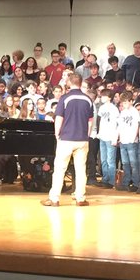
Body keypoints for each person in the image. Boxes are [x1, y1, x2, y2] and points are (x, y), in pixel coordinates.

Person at [42, 71, 94, 207]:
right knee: (81, 169)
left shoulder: (64, 98)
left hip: (66, 138)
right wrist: (86, 135)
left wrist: (56, 134)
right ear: (81, 83)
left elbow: (59, 118)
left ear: (69, 83)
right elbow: (90, 121)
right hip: (82, 139)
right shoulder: (88, 99)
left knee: (60, 169)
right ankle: (80, 198)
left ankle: (54, 199)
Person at [95, 90, 119, 189]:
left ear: (109, 98)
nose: (102, 98)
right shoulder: (101, 108)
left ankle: (111, 181)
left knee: (110, 160)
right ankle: (105, 179)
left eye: (104, 96)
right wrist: (99, 132)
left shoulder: (114, 109)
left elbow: (116, 124)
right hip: (103, 136)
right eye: (102, 96)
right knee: (103, 159)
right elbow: (100, 121)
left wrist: (115, 137)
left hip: (110, 136)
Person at [115, 94, 140, 192]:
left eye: (126, 102)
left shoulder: (134, 112)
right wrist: (118, 137)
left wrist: (134, 137)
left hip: (131, 140)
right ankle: (126, 182)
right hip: (123, 140)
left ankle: (136, 183)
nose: (124, 105)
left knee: (133, 163)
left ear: (131, 101)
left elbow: (137, 125)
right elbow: (120, 126)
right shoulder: (123, 112)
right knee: (125, 163)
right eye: (123, 103)